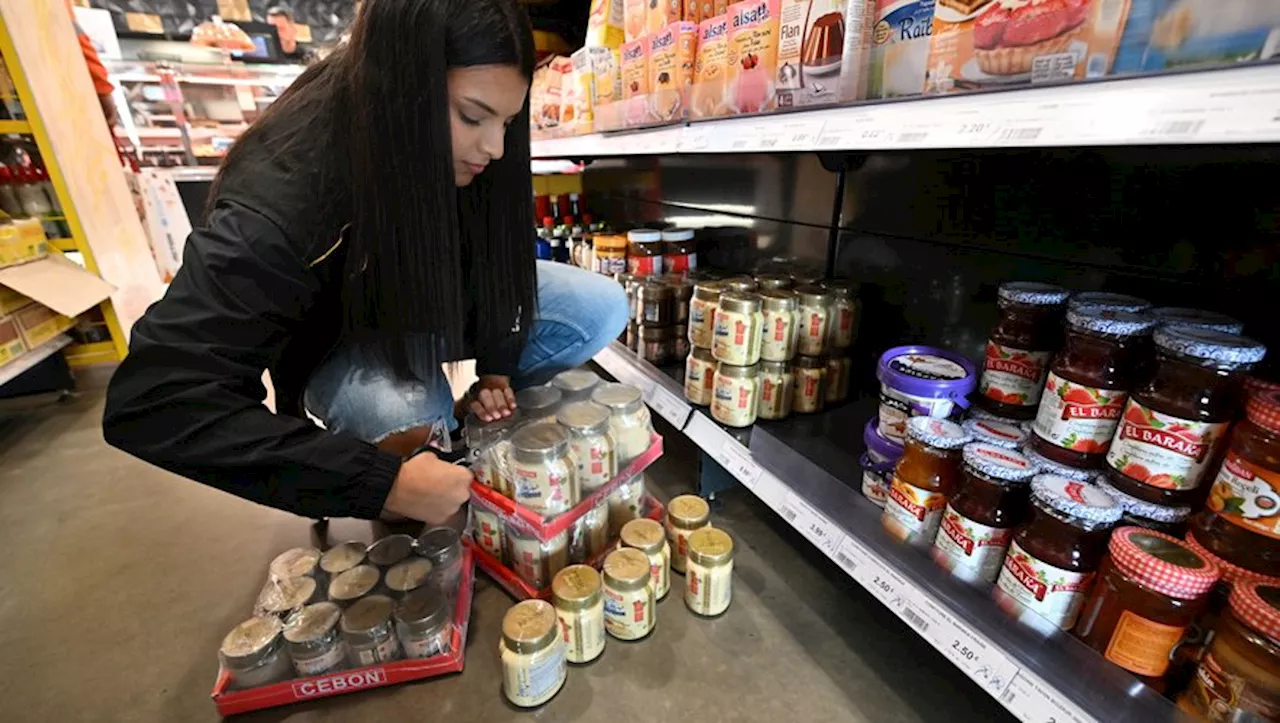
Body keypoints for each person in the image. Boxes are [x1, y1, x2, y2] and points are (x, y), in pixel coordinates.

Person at [101, 0, 629, 528]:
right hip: (341, 333)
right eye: (472, 117)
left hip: (423, 296)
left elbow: (498, 256)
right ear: (404, 88)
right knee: (402, 415)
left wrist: (496, 365)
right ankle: (417, 449)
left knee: (599, 305)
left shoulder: (480, 140)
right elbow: (156, 399)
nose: (493, 146)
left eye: (507, 122)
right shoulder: (285, 201)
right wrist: (382, 485)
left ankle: (456, 429)